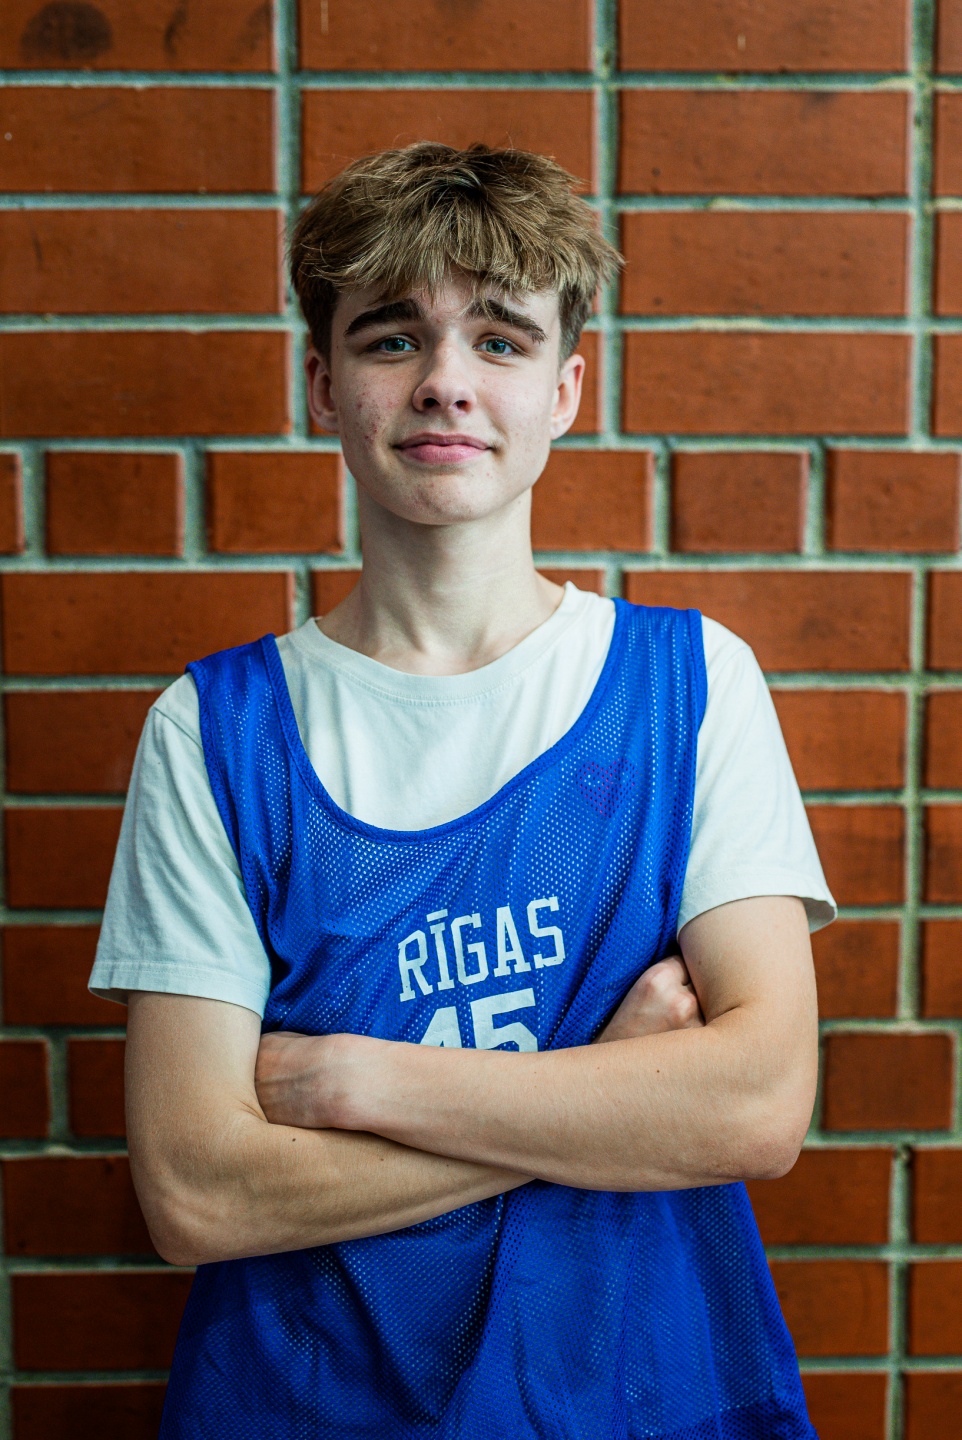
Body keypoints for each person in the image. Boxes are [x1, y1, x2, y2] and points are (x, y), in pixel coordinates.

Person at [91, 142, 836, 1438]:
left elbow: (759, 1105)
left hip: (639, 1396)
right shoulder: (213, 732)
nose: (445, 380)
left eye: (498, 340)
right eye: (392, 338)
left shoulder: (690, 685)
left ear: (565, 389)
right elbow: (200, 1194)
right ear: (323, 383)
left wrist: (352, 1083)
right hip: (310, 1405)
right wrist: (608, 1087)